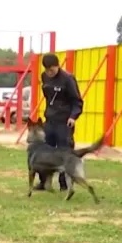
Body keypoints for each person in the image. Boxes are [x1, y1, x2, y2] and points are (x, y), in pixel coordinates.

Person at [34, 53, 84, 191]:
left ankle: (64, 184)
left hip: (64, 122)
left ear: (57, 66)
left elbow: (77, 101)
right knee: (44, 152)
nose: (50, 73)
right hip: (50, 120)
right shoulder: (44, 77)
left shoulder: (68, 79)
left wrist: (73, 116)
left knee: (64, 152)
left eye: (52, 70)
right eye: (47, 70)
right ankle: (44, 182)